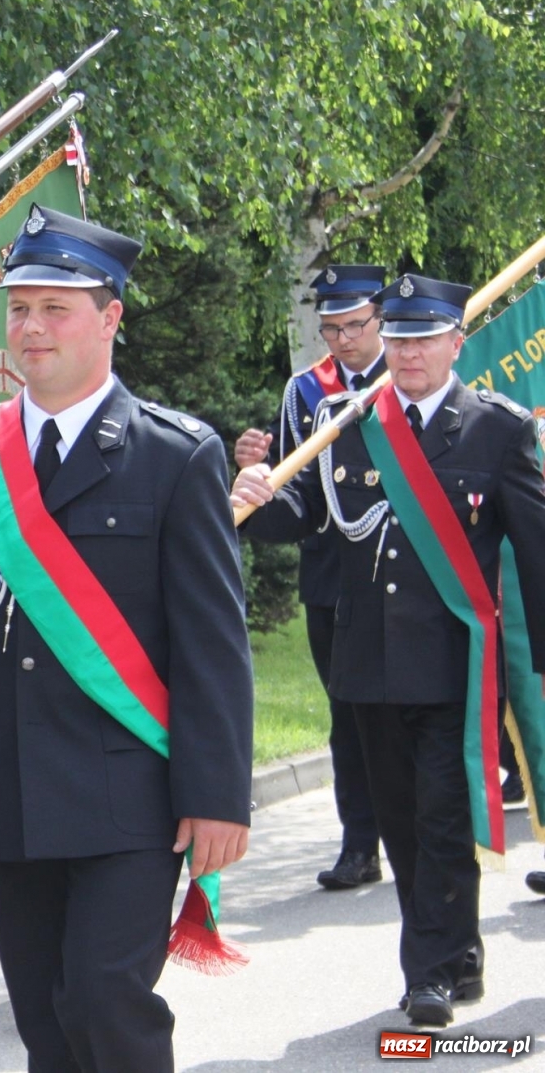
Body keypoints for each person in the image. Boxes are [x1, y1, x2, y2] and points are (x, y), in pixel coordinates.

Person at [0, 205, 254, 1073]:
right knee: (47, 1024)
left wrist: (221, 792)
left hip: (131, 798)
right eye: (19, 309)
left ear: (110, 317)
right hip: (11, 791)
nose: (31, 329)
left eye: (56, 308)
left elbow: (211, 645)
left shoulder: (175, 456)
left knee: (107, 1005)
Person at [233, 274, 545, 1028]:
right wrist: (248, 493)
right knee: (403, 822)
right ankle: (458, 954)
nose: (408, 352)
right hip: (365, 662)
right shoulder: (346, 424)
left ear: (455, 344)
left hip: (453, 667)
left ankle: (428, 971)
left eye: (424, 337)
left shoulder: (496, 430)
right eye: (399, 338)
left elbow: (536, 548)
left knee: (441, 814)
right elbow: (302, 519)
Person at [233, 264, 387, 890]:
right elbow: (302, 497)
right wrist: (255, 488)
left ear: (379, 318)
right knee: (347, 714)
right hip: (333, 578)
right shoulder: (305, 391)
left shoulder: (407, 375)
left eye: (355, 326)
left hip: (408, 570)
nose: (343, 341)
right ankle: (360, 845)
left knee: (417, 712)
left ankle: (427, 834)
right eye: (331, 329)